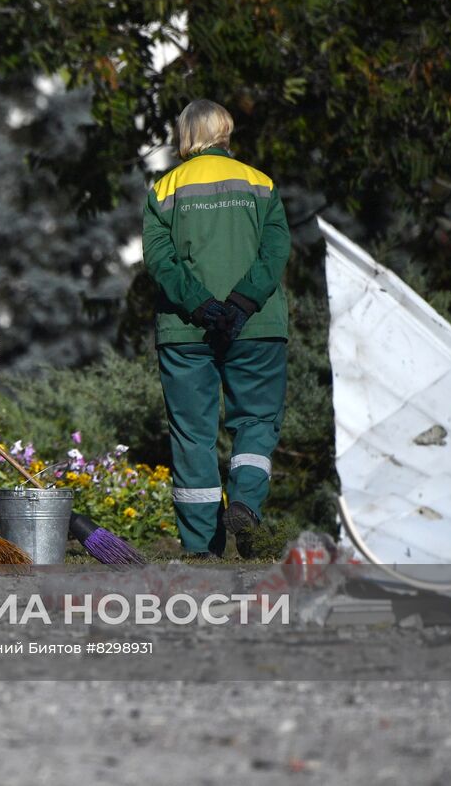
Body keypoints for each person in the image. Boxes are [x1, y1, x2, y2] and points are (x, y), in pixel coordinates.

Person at [141, 100, 290, 559]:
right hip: (258, 327)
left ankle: (202, 547)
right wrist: (242, 302)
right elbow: (275, 252)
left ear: (185, 135)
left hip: (186, 332)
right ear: (226, 131)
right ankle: (245, 500)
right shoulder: (260, 184)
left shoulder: (164, 189)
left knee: (192, 434)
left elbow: (160, 260)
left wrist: (203, 306)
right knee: (257, 421)